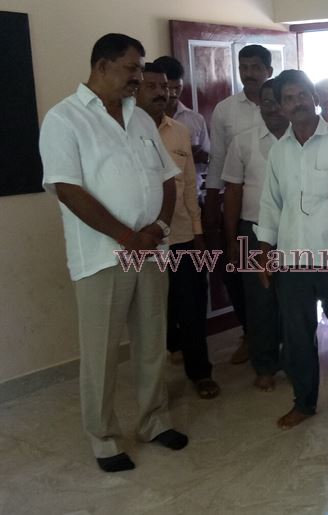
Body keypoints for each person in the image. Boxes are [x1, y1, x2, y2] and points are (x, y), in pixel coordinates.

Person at [39, 33, 188, 472]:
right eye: (132, 68)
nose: (139, 77)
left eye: (140, 68)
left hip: (152, 250)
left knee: (152, 341)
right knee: (101, 352)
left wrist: (159, 228)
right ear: (102, 66)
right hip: (104, 256)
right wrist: (126, 236)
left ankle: (154, 421)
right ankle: (103, 438)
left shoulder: (138, 117)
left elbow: (167, 178)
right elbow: (67, 189)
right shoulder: (64, 119)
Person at [254, 70, 328, 434]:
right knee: (297, 338)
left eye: (302, 95)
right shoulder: (279, 152)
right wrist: (264, 252)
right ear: (281, 107)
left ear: (314, 98)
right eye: (289, 99)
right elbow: (270, 205)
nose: (298, 103)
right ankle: (303, 403)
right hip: (293, 261)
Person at [136, 62, 219, 399]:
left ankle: (200, 373)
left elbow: (187, 188)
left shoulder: (181, 131)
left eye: (166, 87)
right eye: (153, 87)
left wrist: (198, 235)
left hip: (183, 236)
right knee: (150, 312)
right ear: (136, 90)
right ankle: (154, 386)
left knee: (193, 305)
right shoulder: (124, 132)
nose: (163, 93)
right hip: (144, 239)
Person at [206, 45, 274, 364]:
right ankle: (251, 337)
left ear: (268, 71)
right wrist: (214, 211)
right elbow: (218, 160)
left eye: (256, 67)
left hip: (287, 216)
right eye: (244, 67)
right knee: (245, 283)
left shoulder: (282, 104)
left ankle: (290, 346)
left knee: (286, 287)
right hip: (245, 211)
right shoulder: (225, 110)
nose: (249, 73)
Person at [222, 79, 288, 391]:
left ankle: (297, 360)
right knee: (260, 301)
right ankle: (265, 365)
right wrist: (232, 238)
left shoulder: (302, 139)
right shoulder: (243, 141)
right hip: (254, 230)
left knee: (295, 300)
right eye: (266, 102)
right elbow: (233, 191)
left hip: (295, 232)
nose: (271, 108)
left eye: (277, 101)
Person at [152, 55, 211, 198]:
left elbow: (207, 163)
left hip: (190, 196)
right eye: (167, 88)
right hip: (155, 197)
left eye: (177, 88)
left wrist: (201, 157)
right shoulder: (142, 119)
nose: (173, 94)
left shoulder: (195, 119)